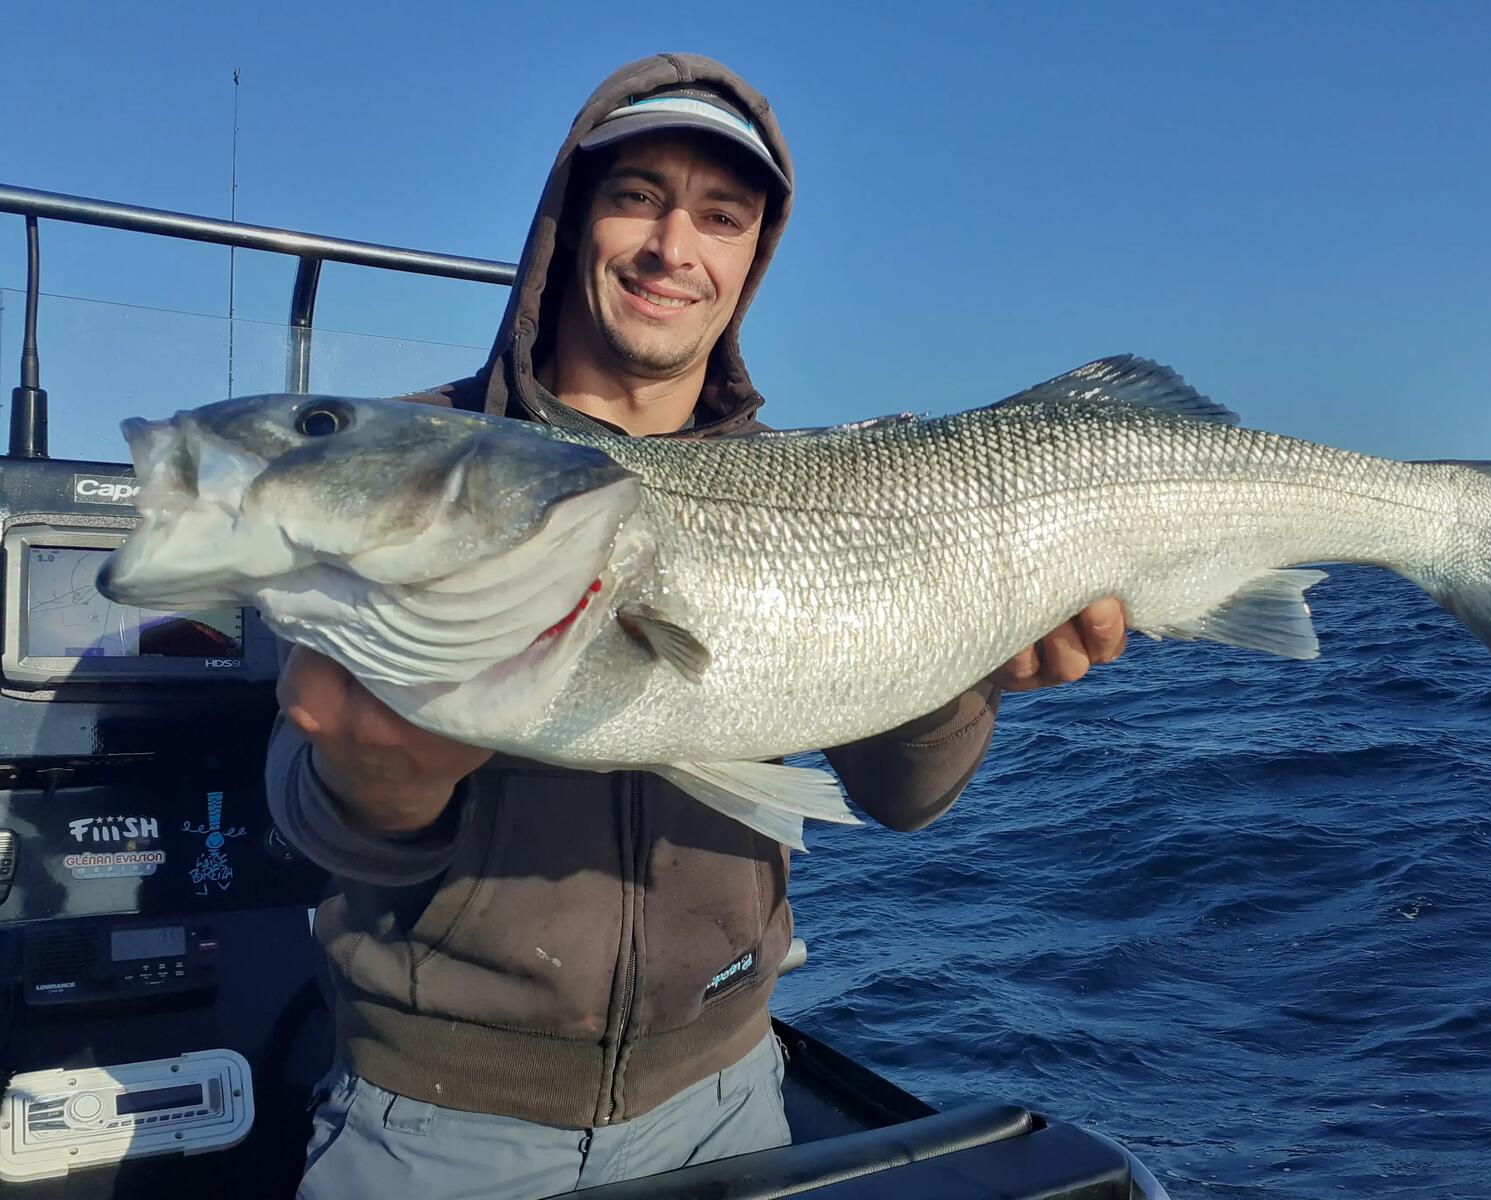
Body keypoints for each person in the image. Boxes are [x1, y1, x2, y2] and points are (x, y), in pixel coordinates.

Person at [268, 52, 1128, 1200]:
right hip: (431, 1126)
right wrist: (385, 780)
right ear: (570, 222)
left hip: (730, 1104)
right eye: (637, 198)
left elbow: (900, 795)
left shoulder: (831, 485)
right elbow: (294, 798)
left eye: (721, 216)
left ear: (752, 258)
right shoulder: (408, 458)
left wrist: (978, 670)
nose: (676, 247)